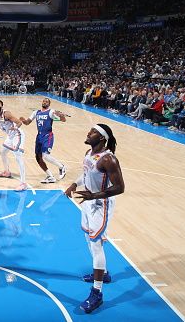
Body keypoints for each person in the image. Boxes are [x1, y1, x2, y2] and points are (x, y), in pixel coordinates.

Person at [65, 124, 125, 314]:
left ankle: (97, 293)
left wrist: (95, 195)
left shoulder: (109, 159)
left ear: (101, 138)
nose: (88, 133)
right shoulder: (89, 152)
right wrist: (74, 184)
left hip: (101, 204)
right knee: (88, 240)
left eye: (92, 133)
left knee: (96, 244)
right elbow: (85, 174)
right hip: (88, 200)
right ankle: (103, 274)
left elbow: (120, 187)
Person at [20, 98, 67, 184]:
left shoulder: (51, 112)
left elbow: (63, 120)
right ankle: (50, 176)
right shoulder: (36, 112)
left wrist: (61, 115)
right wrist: (23, 120)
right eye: (44, 101)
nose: (45, 102)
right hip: (39, 136)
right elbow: (27, 122)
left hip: (47, 135)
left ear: (49, 104)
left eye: (47, 102)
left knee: (45, 155)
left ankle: (61, 167)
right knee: (38, 158)